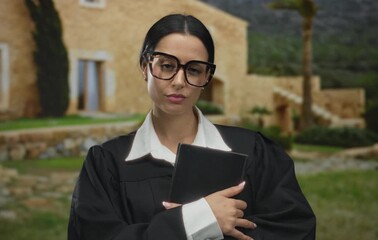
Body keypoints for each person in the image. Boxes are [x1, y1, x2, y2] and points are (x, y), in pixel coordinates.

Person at [68, 14, 316, 240]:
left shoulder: (255, 153)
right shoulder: (107, 164)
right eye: (167, 66)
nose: (179, 82)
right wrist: (198, 221)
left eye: (194, 70)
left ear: (206, 78)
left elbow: (296, 231)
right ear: (145, 67)